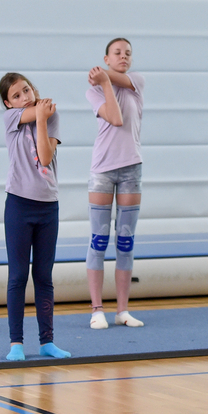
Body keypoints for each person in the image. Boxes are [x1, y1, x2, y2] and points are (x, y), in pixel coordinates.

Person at [0, 72, 70, 361]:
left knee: (44, 276)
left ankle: (47, 341)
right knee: (18, 276)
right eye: (16, 96)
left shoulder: (50, 116)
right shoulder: (10, 119)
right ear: (8, 103)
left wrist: (42, 118)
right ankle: (16, 343)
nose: (24, 97)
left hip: (47, 206)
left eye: (26, 90)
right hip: (18, 205)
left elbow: (44, 157)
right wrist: (38, 113)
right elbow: (29, 114)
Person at [86, 38, 145, 330]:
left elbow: (123, 114)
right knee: (98, 241)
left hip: (131, 168)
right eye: (117, 53)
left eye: (128, 54)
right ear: (106, 58)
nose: (123, 57)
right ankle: (97, 309)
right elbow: (115, 118)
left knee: (125, 241)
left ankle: (123, 310)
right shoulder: (93, 91)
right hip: (103, 171)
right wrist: (104, 82)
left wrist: (105, 76)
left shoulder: (136, 82)